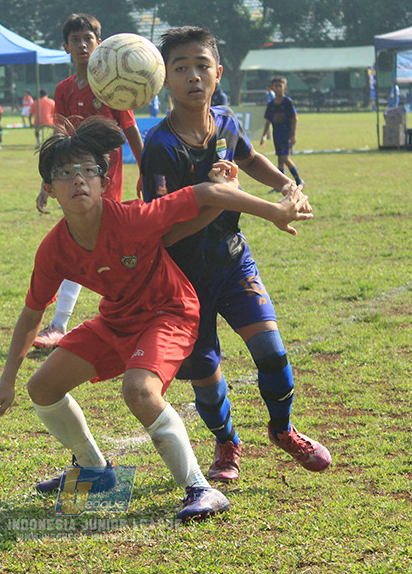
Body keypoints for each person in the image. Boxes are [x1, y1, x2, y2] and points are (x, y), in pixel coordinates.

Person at [0, 115, 314, 521]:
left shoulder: (133, 218)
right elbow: (32, 313)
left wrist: (274, 210)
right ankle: (96, 473)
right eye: (65, 174)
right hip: (117, 319)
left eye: (88, 171)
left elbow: (206, 192)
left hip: (169, 312)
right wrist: (6, 381)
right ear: (49, 190)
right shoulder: (53, 250)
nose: (78, 180)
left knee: (139, 390)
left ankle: (201, 489)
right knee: (42, 387)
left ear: (104, 182)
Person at [141, 26, 331, 483]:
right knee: (205, 372)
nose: (193, 76)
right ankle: (227, 444)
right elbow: (161, 235)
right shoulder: (159, 147)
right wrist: (218, 198)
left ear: (218, 72)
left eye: (202, 66)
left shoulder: (226, 120)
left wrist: (285, 184)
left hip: (232, 261)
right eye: (180, 68)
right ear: (165, 79)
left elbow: (249, 158)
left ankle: (283, 430)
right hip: (183, 281)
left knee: (272, 353)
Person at [31, 13, 145, 352]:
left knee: (92, 243)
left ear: (100, 42)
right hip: (71, 176)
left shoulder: (110, 83)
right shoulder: (64, 89)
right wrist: (46, 180)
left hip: (103, 176)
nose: (83, 44)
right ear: (65, 46)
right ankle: (64, 324)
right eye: (76, 39)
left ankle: (69, 323)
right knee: (84, 243)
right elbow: (59, 135)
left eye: (89, 38)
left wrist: (148, 170)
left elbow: (130, 129)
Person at [261, 76, 304, 186]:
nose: (278, 88)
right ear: (272, 88)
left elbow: (295, 118)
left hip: (286, 135)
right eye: (276, 86)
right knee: (280, 160)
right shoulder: (271, 105)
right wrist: (264, 136)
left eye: (280, 86)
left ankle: (298, 180)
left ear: (284, 88)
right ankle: (280, 185)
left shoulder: (287, 102)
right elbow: (268, 121)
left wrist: (293, 135)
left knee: (285, 158)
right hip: (277, 135)